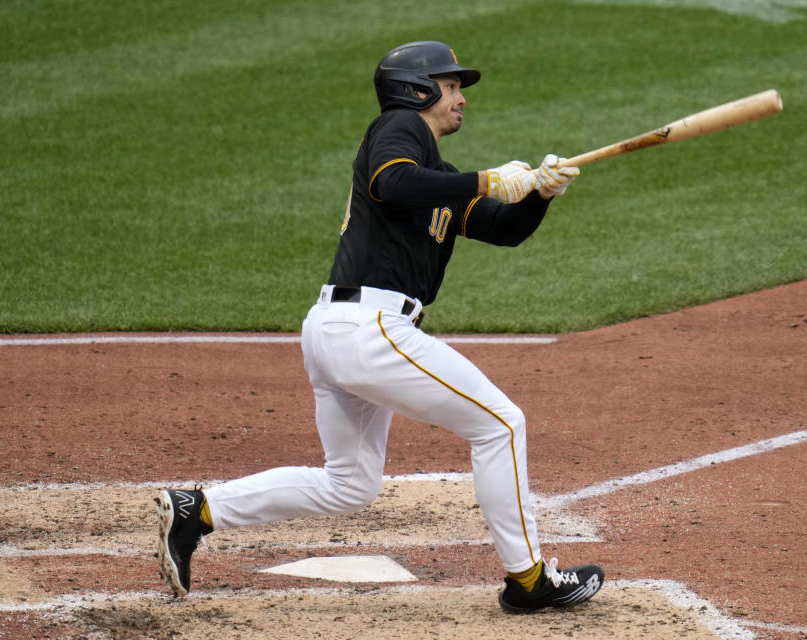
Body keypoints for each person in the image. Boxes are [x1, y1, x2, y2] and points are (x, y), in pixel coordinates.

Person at [156, 40, 604, 613]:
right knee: (501, 425)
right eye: (451, 85)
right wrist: (487, 179)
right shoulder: (399, 128)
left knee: (350, 484)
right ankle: (528, 579)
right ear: (416, 90)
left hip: (337, 329)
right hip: (369, 327)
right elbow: (395, 183)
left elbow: (502, 228)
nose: (461, 97)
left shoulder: (434, 173)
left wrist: (540, 193)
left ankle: (200, 511)